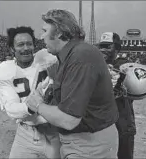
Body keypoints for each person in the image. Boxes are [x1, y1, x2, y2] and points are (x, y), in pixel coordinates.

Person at [25, 9, 119, 158]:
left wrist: (37, 105)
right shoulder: (72, 54)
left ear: (60, 33)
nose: (41, 36)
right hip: (84, 141)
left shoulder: (80, 56)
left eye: (44, 31)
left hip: (88, 144)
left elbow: (69, 120)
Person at [0, 26, 60, 159]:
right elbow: (11, 108)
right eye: (20, 45)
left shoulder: (48, 58)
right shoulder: (4, 71)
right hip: (26, 133)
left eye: (29, 44)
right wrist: (33, 103)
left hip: (55, 131)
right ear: (12, 49)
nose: (26, 48)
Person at [98, 32, 136, 159]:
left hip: (122, 120)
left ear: (117, 48)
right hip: (101, 121)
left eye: (108, 46)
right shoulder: (95, 64)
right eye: (101, 46)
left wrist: (120, 78)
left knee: (124, 155)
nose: (103, 49)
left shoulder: (125, 65)